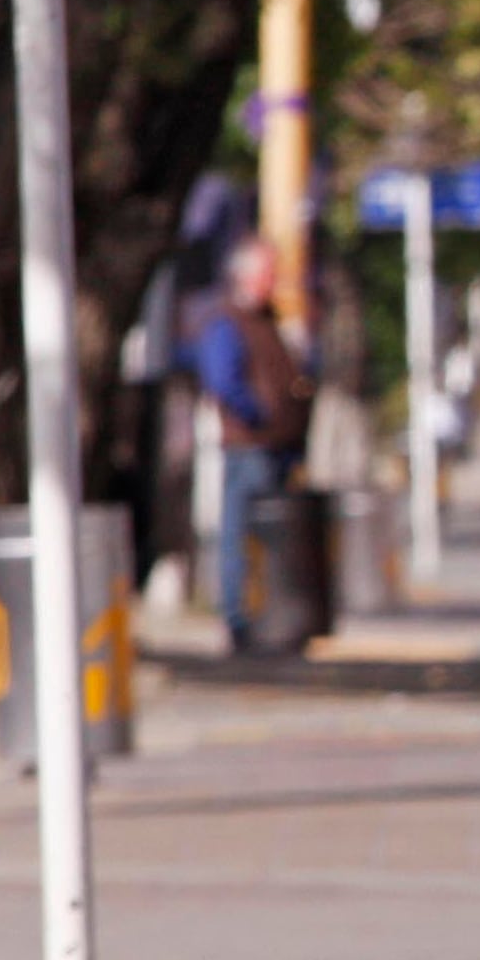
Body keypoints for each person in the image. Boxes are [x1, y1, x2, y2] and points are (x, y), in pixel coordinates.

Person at [183, 240, 313, 654]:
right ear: (245, 275)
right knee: (240, 533)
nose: (275, 282)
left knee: (270, 538)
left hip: (276, 446)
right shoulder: (228, 322)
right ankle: (239, 617)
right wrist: (259, 415)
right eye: (268, 273)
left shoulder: (265, 319)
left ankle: (268, 613)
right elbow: (223, 381)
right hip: (249, 447)